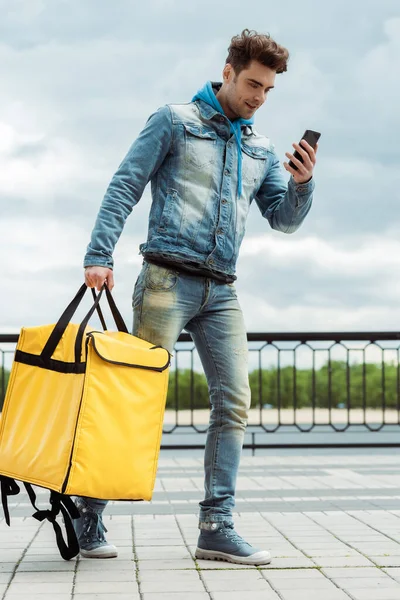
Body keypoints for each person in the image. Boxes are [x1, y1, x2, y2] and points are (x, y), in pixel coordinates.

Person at [75, 29, 318, 565]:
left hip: (222, 291)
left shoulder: (259, 147)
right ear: (228, 71)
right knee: (137, 402)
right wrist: (99, 255)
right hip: (165, 280)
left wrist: (302, 184)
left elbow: (283, 219)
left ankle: (217, 525)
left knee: (234, 403)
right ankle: (89, 510)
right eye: (253, 83)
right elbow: (125, 184)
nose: (258, 96)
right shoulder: (174, 121)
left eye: (269, 89)